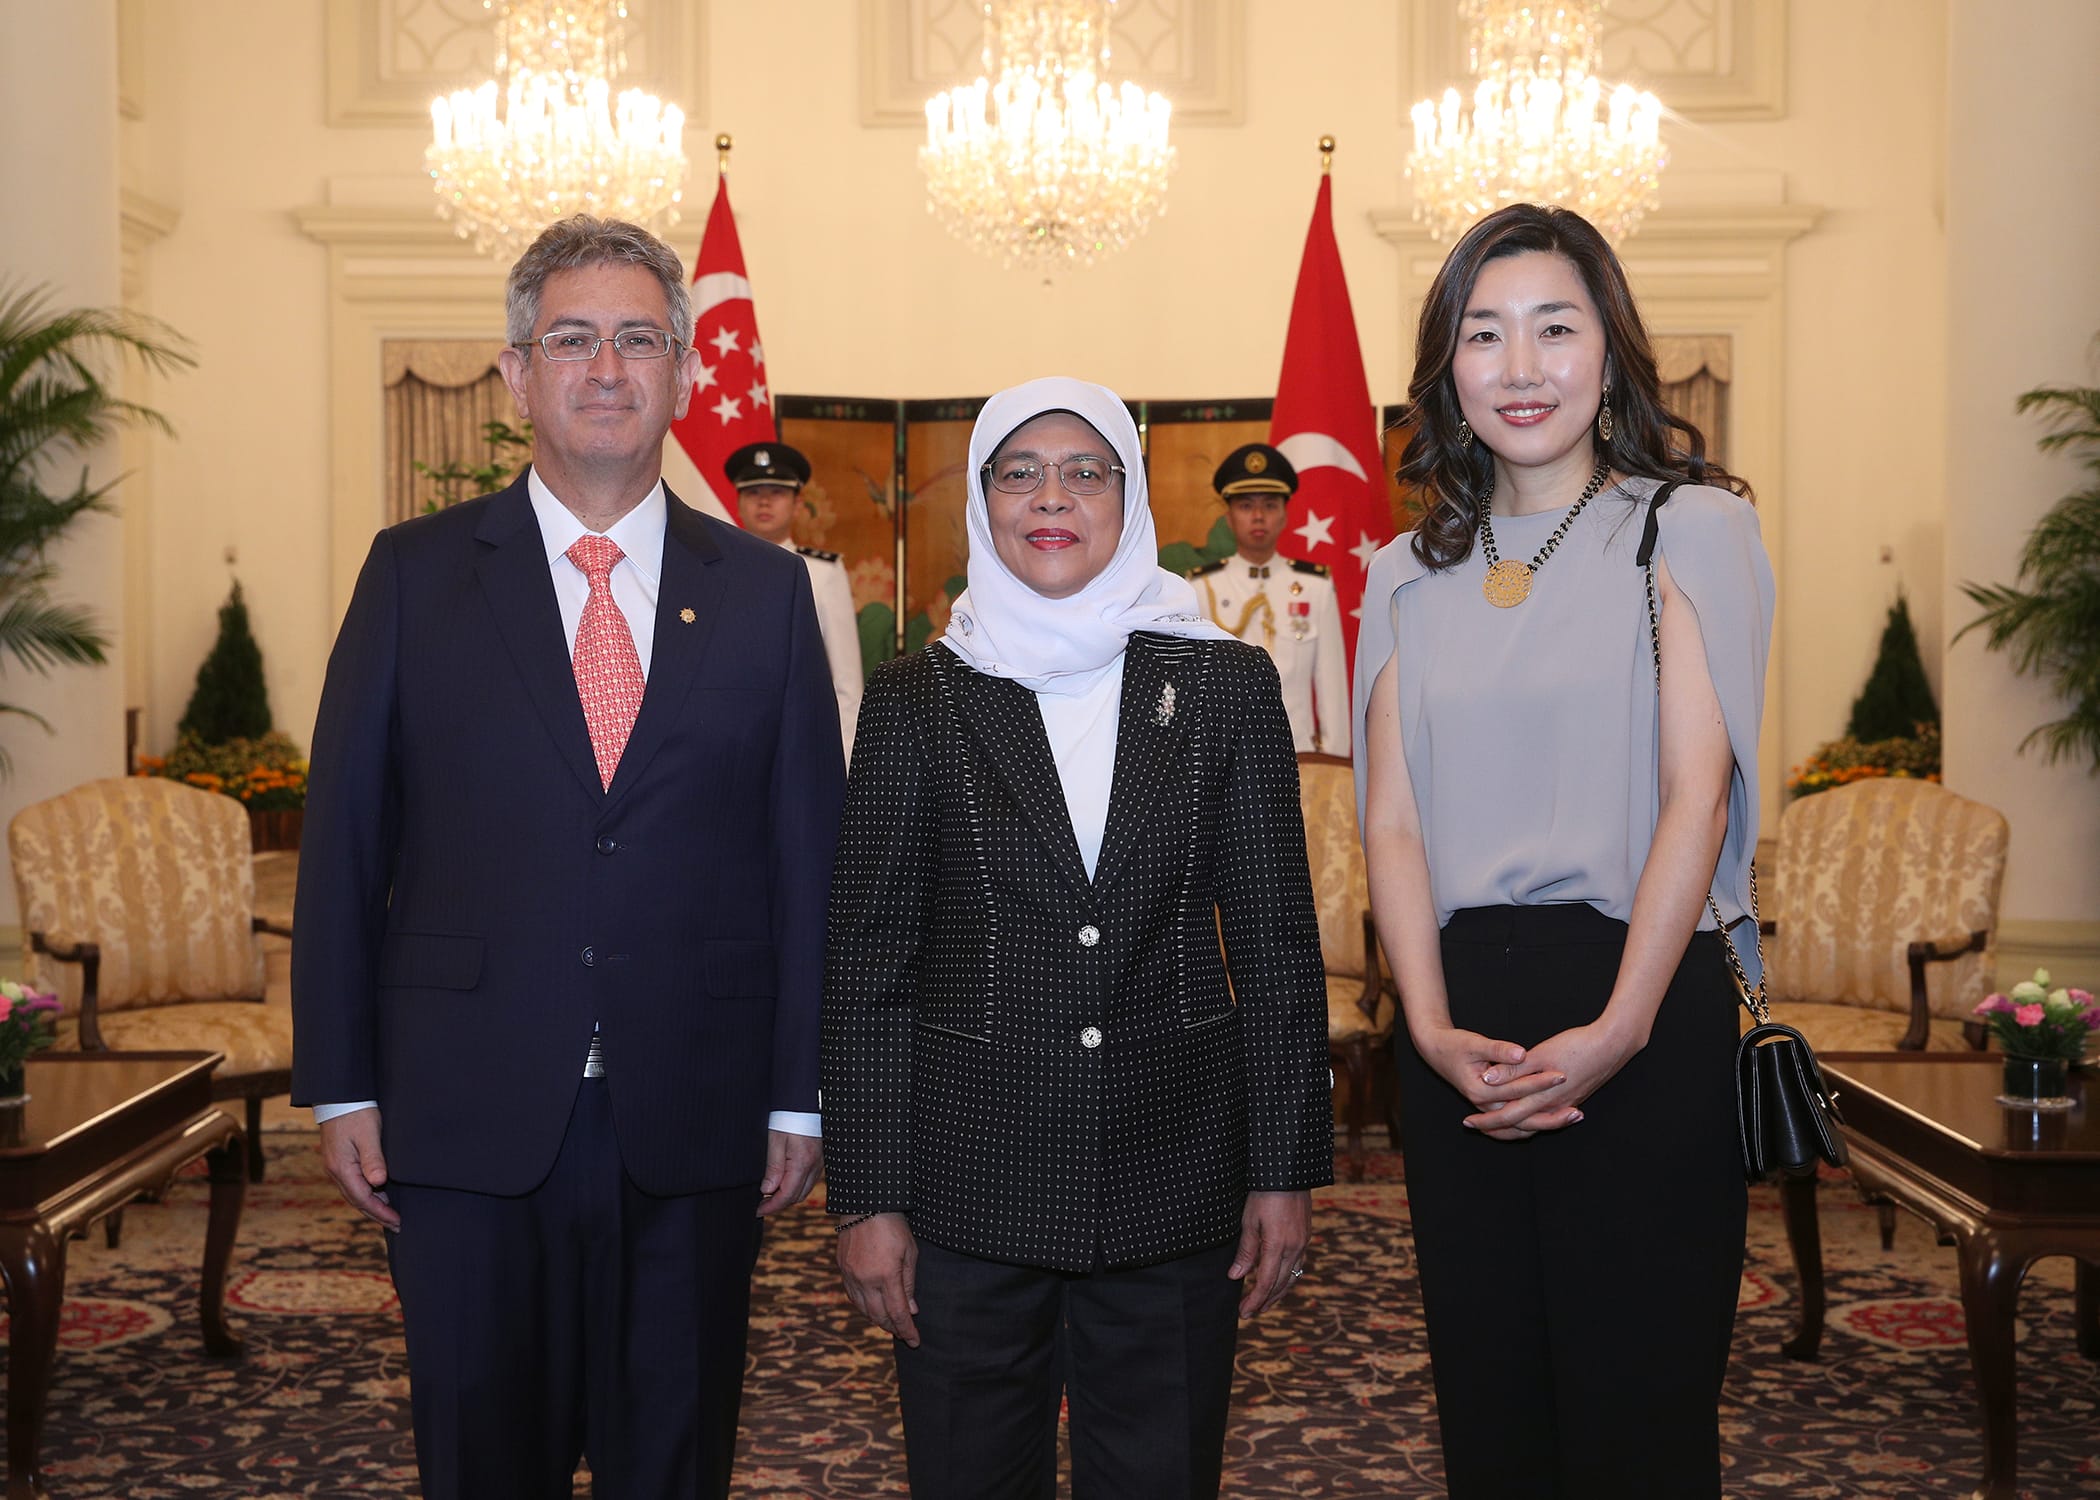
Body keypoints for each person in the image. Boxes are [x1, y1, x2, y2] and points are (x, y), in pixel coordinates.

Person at [291, 215, 843, 1500]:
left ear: (685, 374)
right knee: (483, 1460)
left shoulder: (768, 594)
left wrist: (799, 1095)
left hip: (696, 1110)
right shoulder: (414, 576)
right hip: (461, 1109)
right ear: (516, 373)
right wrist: (340, 1082)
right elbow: (347, 840)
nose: (606, 369)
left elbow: (807, 860)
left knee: (675, 1460)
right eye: (573, 340)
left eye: (638, 340)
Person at [821, 376, 1332, 1500]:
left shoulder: (1225, 684)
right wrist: (867, 1196)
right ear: (984, 502)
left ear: (1129, 498)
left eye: (1085, 473)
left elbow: (1276, 947)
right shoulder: (916, 699)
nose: (1051, 498)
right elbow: (867, 971)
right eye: (1020, 473)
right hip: (964, 1191)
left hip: (1175, 1178)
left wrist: (1285, 1169)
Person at [1353, 203, 1773, 1498]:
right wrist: (1427, 1028)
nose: (1521, 367)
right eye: (1485, 335)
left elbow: (1696, 801)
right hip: (1460, 1031)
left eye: (1555, 327)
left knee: (1638, 1413)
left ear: (1610, 350)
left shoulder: (1688, 529)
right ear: (1447, 366)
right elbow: (1393, 822)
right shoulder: (1401, 571)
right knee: (1493, 1408)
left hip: (1642, 1003)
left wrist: (1622, 1028)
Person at [1188, 442, 1349, 754]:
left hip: (1298, 756)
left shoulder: (1315, 587)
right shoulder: (1201, 587)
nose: (1258, 516)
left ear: (1285, 515)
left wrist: (1334, 764)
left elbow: (1332, 686)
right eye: (1246, 506)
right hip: (1225, 760)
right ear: (1229, 517)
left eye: (1270, 505)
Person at [725, 439, 865, 760]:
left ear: (798, 504)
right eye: (753, 493)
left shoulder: (823, 572)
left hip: (799, 742)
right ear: (738, 503)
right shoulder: (715, 571)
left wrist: (845, 763)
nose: (764, 502)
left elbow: (846, 682)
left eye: (776, 493)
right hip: (731, 746)